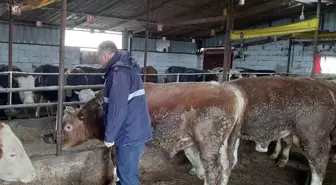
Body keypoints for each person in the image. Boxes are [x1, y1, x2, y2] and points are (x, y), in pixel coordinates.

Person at [97, 41, 152, 185]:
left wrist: (110, 135)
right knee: (124, 173)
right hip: (133, 130)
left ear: (105, 55)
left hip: (128, 133)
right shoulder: (126, 69)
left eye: (98, 57)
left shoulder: (119, 73)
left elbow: (117, 108)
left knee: (127, 176)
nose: (98, 60)